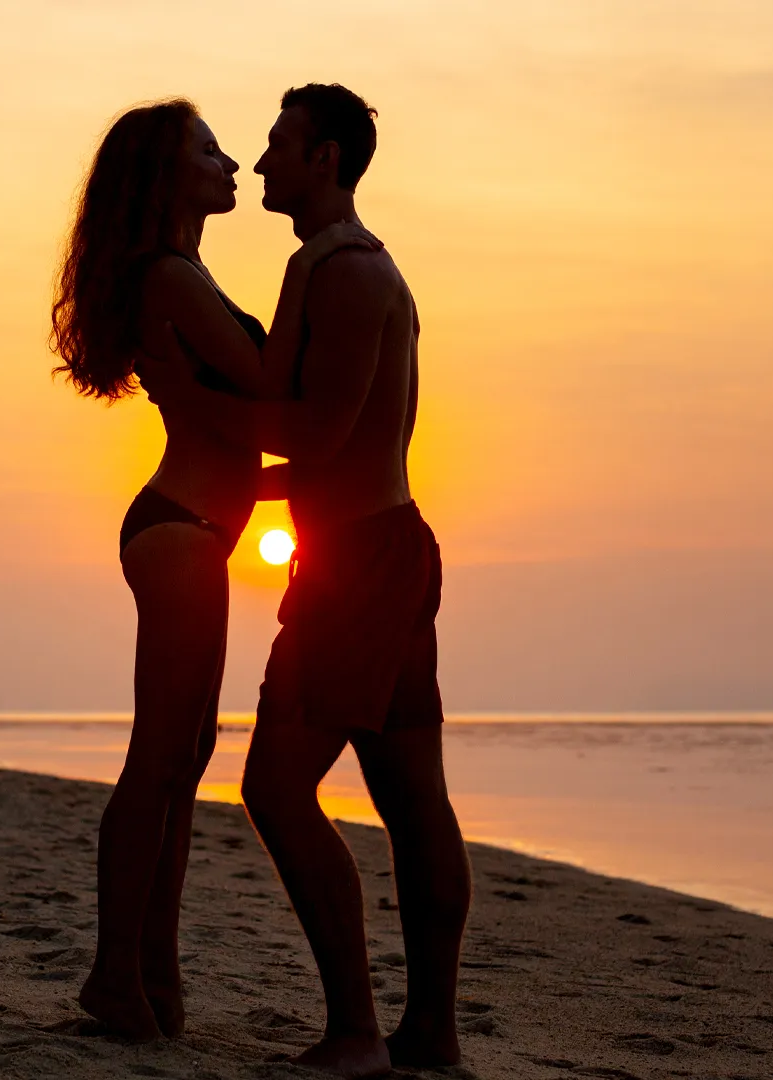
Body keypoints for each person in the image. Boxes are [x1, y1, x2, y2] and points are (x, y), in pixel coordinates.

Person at [139, 84, 472, 1075]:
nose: (263, 159)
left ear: (323, 158)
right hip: (380, 550)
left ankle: (359, 1032)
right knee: (412, 798)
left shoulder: (348, 276)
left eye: (279, 144)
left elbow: (319, 435)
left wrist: (193, 401)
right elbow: (328, 440)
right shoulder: (326, 267)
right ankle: (431, 1034)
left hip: (365, 566)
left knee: (275, 790)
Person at [50, 97, 377, 1042]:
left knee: (182, 761)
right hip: (181, 531)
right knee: (157, 760)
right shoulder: (170, 277)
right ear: (166, 176)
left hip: (198, 527)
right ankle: (117, 977)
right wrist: (322, 278)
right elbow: (273, 383)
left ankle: (154, 975)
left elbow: (242, 427)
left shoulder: (187, 271)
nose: (232, 161)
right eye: (208, 150)